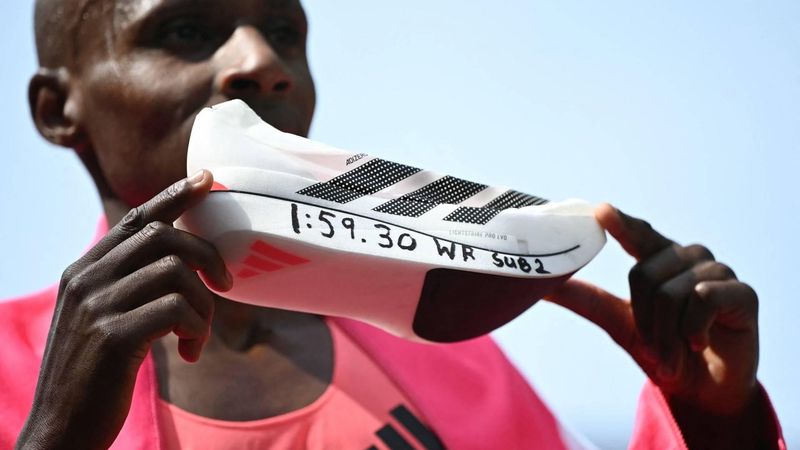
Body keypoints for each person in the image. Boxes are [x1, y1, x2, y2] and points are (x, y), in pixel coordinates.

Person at [0, 0, 784, 448]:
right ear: (57, 109)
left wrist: (717, 426)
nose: (258, 59)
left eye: (285, 30)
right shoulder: (13, 377)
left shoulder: (455, 360)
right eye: (185, 30)